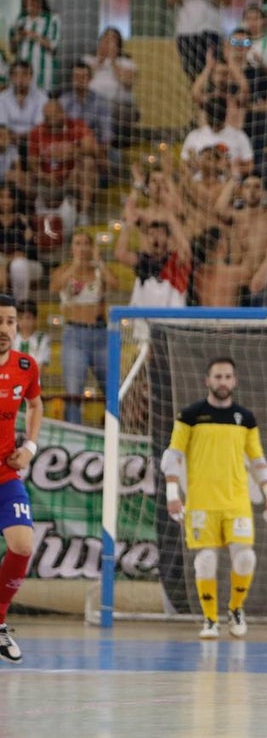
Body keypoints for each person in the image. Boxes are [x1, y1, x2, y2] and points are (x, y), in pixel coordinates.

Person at [163, 357, 267, 639]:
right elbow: (173, 455)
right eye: (218, 377)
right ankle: (210, 619)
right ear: (208, 381)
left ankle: (236, 609)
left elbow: (257, 458)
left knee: (246, 558)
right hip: (201, 502)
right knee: (205, 560)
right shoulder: (190, 415)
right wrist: (172, 493)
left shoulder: (245, 418)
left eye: (228, 377)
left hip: (236, 501)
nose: (223, 382)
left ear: (235, 381)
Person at [0, 293, 44, 664]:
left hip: (5, 473)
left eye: (10, 321)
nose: (4, 328)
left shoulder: (27, 365)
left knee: (22, 544)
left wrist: (30, 446)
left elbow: (35, 404)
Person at [50, 233, 119, 424]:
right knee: (74, 392)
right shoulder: (64, 270)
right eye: (77, 244)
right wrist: (75, 265)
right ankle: (75, 436)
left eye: (86, 244)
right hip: (74, 336)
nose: (82, 248)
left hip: (101, 336)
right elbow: (55, 286)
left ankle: (111, 432)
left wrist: (98, 262)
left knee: (111, 389)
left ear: (92, 247)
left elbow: (115, 284)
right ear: (71, 248)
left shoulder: (98, 273)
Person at [13, 299, 50, 366]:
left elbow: (40, 369)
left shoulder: (42, 339)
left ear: (35, 319)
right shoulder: (11, 338)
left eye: (28, 318)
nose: (24, 322)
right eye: (21, 318)